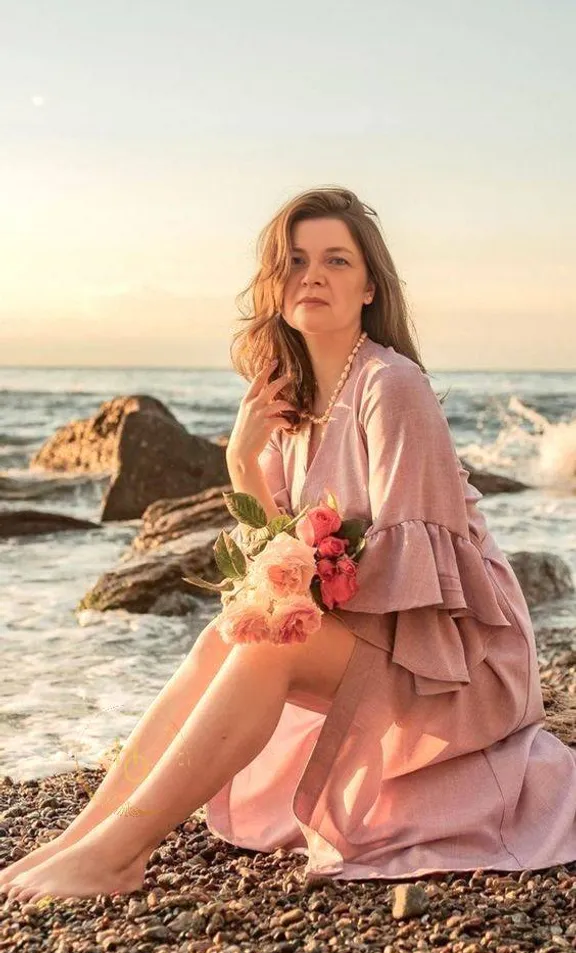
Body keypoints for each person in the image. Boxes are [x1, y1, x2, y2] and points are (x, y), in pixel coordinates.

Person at [2, 186, 575, 904]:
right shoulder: (290, 403)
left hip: (455, 652)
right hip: (383, 631)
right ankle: (84, 838)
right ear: (275, 285)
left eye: (337, 260)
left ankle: (119, 855)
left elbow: (418, 580)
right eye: (296, 260)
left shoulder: (391, 386)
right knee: (225, 637)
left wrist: (291, 608)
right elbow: (269, 565)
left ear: (369, 286)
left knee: (270, 639)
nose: (314, 274)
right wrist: (243, 462)